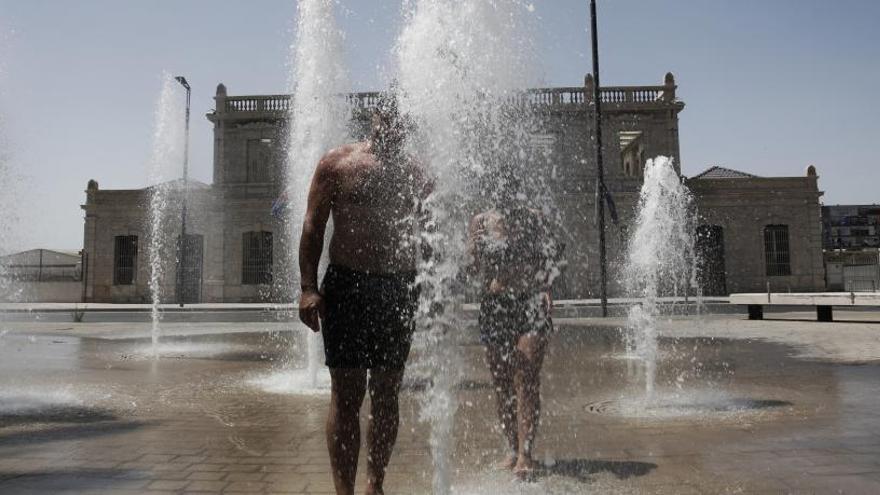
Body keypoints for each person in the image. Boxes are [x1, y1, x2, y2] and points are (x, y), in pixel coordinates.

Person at [298, 93, 429, 495]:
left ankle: (375, 482)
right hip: (348, 285)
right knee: (347, 391)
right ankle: (344, 490)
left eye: (399, 116)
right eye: (383, 114)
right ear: (372, 117)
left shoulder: (418, 174)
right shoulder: (337, 164)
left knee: (387, 391)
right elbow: (312, 227)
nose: (390, 122)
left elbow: (430, 239)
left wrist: (433, 290)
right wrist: (307, 288)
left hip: (397, 286)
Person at [466, 179, 560, 480]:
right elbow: (471, 269)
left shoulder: (534, 219)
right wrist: (474, 246)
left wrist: (547, 287)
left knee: (527, 378)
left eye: (510, 192)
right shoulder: (480, 222)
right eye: (499, 193)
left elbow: (551, 257)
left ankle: (525, 454)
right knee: (502, 382)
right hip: (495, 304)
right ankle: (512, 449)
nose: (504, 199)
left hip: (530, 302)